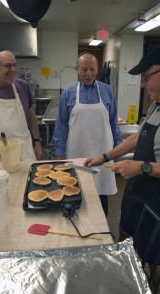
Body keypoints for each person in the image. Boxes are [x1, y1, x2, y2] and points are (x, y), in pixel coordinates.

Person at [84, 44, 160, 288]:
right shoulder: (157, 101)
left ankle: (152, 288)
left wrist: (143, 167)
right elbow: (137, 137)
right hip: (138, 192)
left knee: (157, 254)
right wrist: (104, 156)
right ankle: (127, 277)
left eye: (147, 77)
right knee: (125, 235)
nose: (143, 85)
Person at [53, 53, 121, 216]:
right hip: (77, 151)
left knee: (101, 192)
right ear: (77, 70)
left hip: (103, 151)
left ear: (97, 69)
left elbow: (113, 122)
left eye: (92, 69)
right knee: (74, 188)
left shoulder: (107, 91)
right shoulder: (68, 93)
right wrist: (60, 151)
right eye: (84, 69)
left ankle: (102, 226)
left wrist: (118, 149)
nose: (88, 74)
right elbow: (61, 124)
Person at [0, 49, 43, 161]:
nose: (13, 70)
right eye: (8, 66)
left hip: (25, 152)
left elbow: (30, 114)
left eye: (14, 65)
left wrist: (37, 141)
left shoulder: (22, 86)